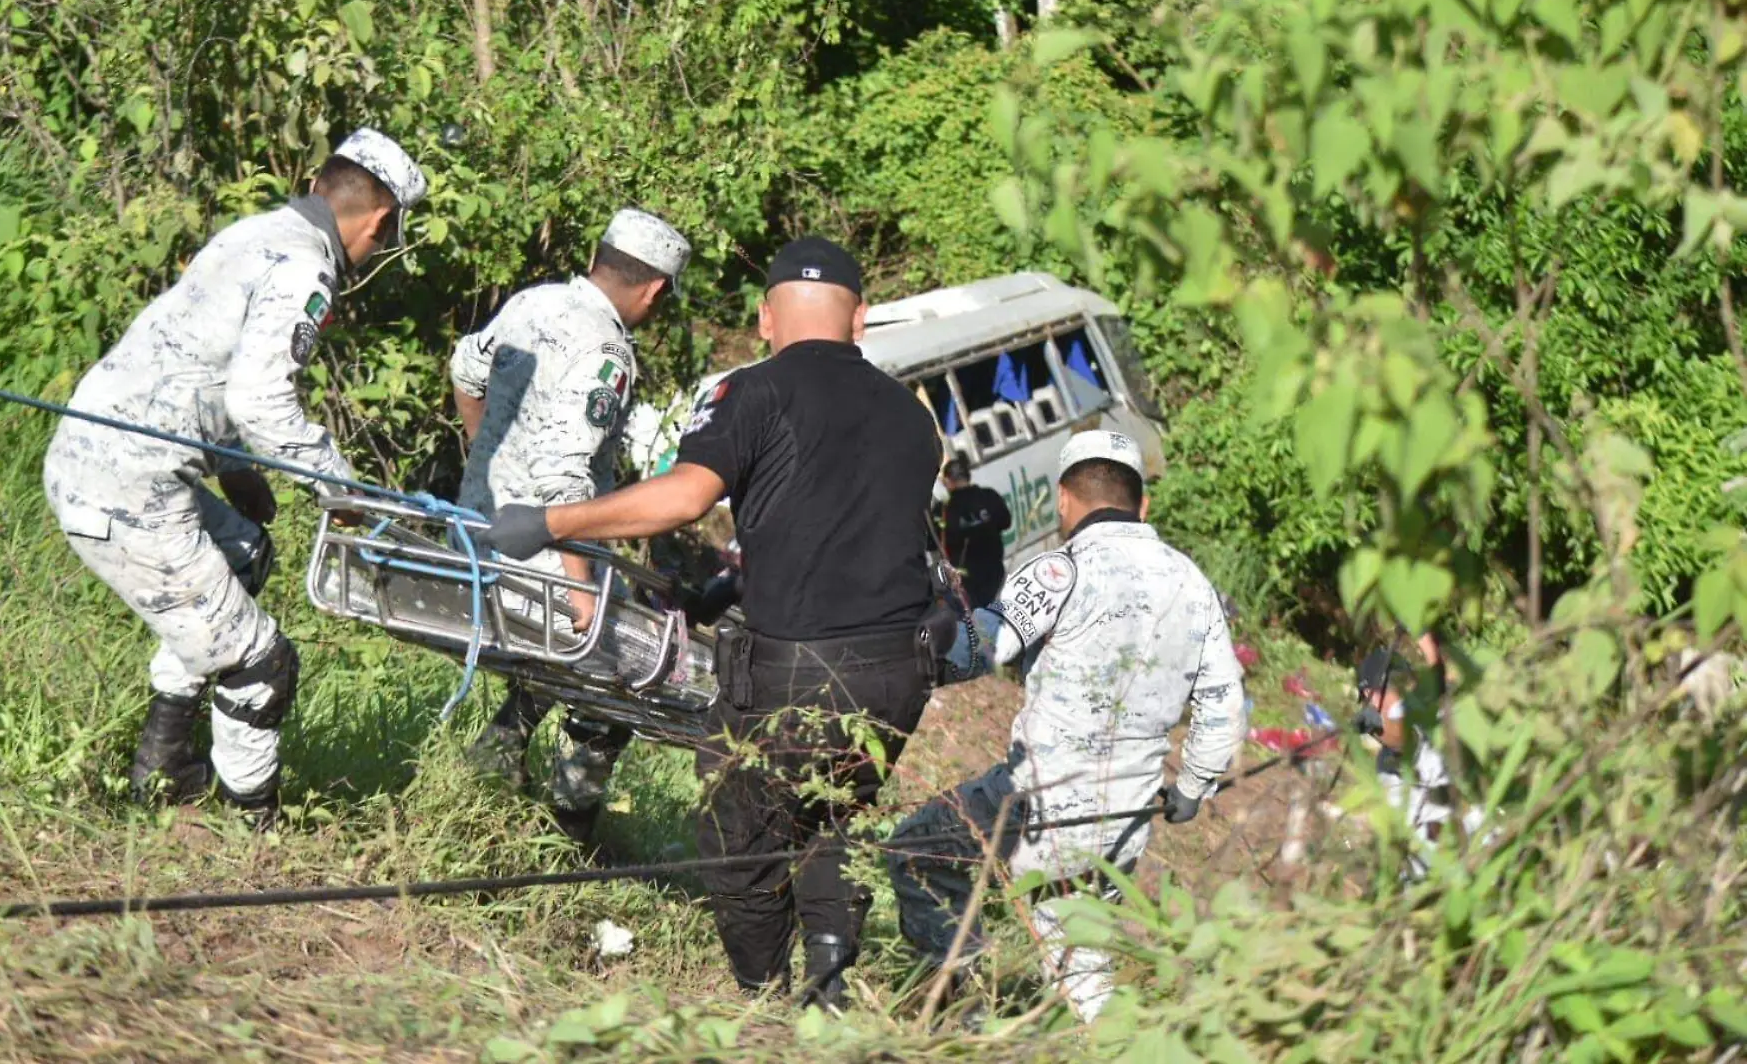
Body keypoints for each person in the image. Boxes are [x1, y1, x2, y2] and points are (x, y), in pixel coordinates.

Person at [475, 236, 944, 1008]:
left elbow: (685, 497)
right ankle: (827, 996)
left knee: (739, 843)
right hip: (899, 672)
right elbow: (851, 527)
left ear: (765, 319)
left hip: (795, 668)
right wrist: (729, 583)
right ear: (860, 319)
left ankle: (762, 1004)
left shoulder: (751, 391)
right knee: (830, 811)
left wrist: (553, 522)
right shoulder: (913, 418)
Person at [44, 129, 427, 828]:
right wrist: (343, 491)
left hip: (92, 455)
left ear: (319, 185)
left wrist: (240, 470)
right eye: (388, 235)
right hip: (131, 487)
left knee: (244, 552)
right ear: (379, 221)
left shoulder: (251, 234)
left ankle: (163, 766)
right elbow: (259, 401)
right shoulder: (306, 270)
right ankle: (248, 822)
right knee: (264, 662)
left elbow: (197, 366)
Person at [887, 430, 1249, 1022]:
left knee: (921, 853)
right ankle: (995, 1015)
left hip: (1041, 803)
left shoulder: (1060, 570)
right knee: (1076, 952)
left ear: (1062, 498)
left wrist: (933, 630)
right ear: (1143, 503)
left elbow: (981, 650)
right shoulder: (1192, 583)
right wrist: (1192, 787)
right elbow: (1222, 702)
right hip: (1128, 810)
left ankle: (973, 1014)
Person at [449, 208, 691, 844]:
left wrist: (485, 462)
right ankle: (568, 833)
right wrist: (583, 592)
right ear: (657, 289)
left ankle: (500, 749)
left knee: (575, 649)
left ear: (598, 254)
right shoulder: (607, 351)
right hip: (540, 560)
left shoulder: (534, 302)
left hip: (477, 532)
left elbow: (464, 369)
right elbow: (566, 476)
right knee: (621, 680)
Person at [1353, 629, 1486, 870]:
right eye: (1396, 684)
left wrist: (1422, 632)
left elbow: (1440, 679)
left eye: (1407, 682)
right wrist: (1375, 725)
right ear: (1370, 696)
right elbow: (1400, 740)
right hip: (1438, 862)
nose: (1406, 692)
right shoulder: (1389, 761)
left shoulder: (1434, 717)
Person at [934, 453, 1013, 605]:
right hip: (994, 572)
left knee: (972, 622)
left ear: (947, 482)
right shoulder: (989, 497)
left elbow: (931, 541)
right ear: (968, 476)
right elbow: (1006, 522)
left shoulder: (943, 510)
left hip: (964, 581)